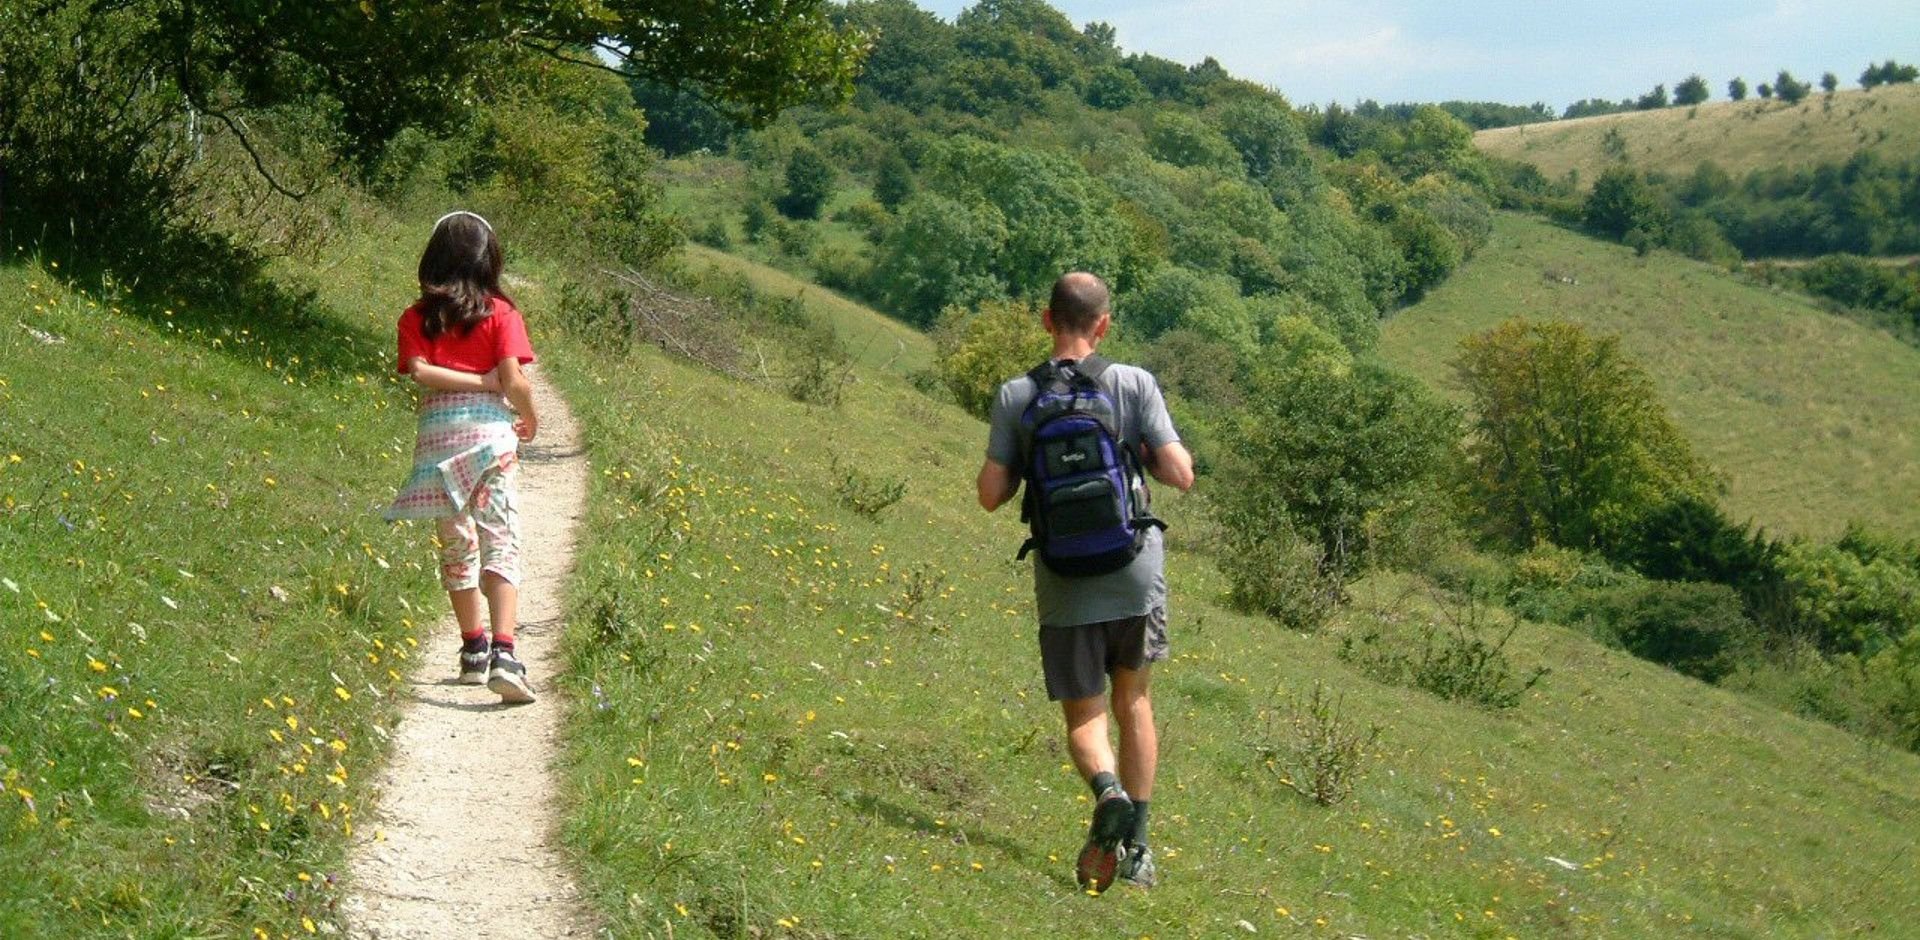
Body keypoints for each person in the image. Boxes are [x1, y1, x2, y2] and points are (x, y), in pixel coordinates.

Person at [976, 272, 1194, 893]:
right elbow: (1181, 475)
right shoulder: (1134, 383)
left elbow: (992, 496)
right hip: (1134, 573)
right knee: (1135, 703)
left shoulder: (1017, 394)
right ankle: (1140, 851)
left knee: (1085, 715)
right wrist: (1142, 451)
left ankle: (1106, 794)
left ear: (1046, 320)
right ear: (1103, 326)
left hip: (1065, 577)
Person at [385, 210, 540, 704]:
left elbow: (421, 372)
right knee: (501, 540)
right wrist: (529, 413)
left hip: (437, 445)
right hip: (491, 446)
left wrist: (473, 381)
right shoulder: (502, 313)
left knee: (457, 545)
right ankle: (505, 653)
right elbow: (512, 380)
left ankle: (472, 648)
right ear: (489, 260)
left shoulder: (416, 317)